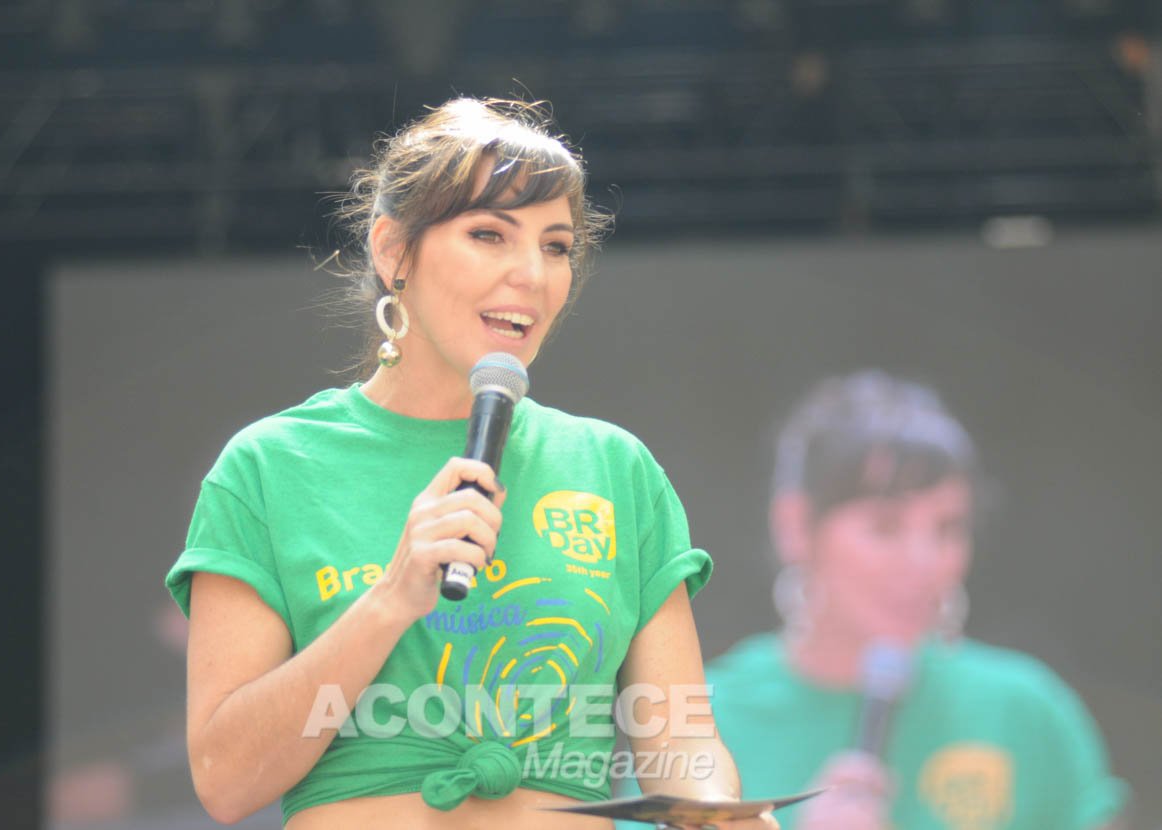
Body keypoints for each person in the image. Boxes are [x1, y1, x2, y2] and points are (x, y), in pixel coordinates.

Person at [165, 98, 778, 830]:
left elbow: (678, 740)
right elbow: (227, 780)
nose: (532, 274)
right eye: (490, 235)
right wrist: (391, 599)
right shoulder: (270, 468)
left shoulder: (615, 468)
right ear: (394, 250)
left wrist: (718, 814)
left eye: (557, 247)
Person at [621, 371, 1129, 830]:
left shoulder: (1026, 714)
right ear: (796, 525)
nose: (923, 561)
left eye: (947, 528)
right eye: (886, 527)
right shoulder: (697, 723)